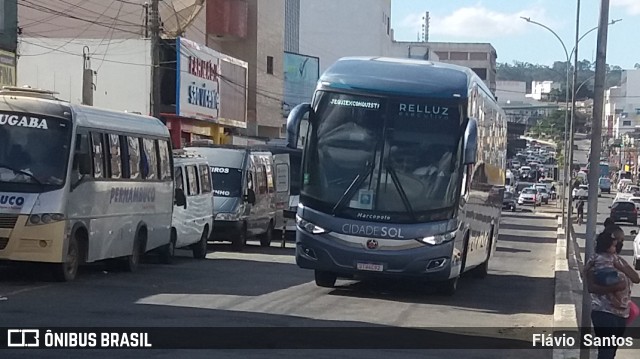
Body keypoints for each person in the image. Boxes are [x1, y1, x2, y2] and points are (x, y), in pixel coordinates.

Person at [584, 226, 640, 359]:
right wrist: (615, 287)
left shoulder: (618, 260)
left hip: (621, 315)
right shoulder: (595, 261)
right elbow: (591, 287)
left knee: (611, 352)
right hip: (604, 313)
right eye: (618, 241)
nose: (620, 244)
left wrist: (620, 266)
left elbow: (636, 278)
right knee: (606, 352)